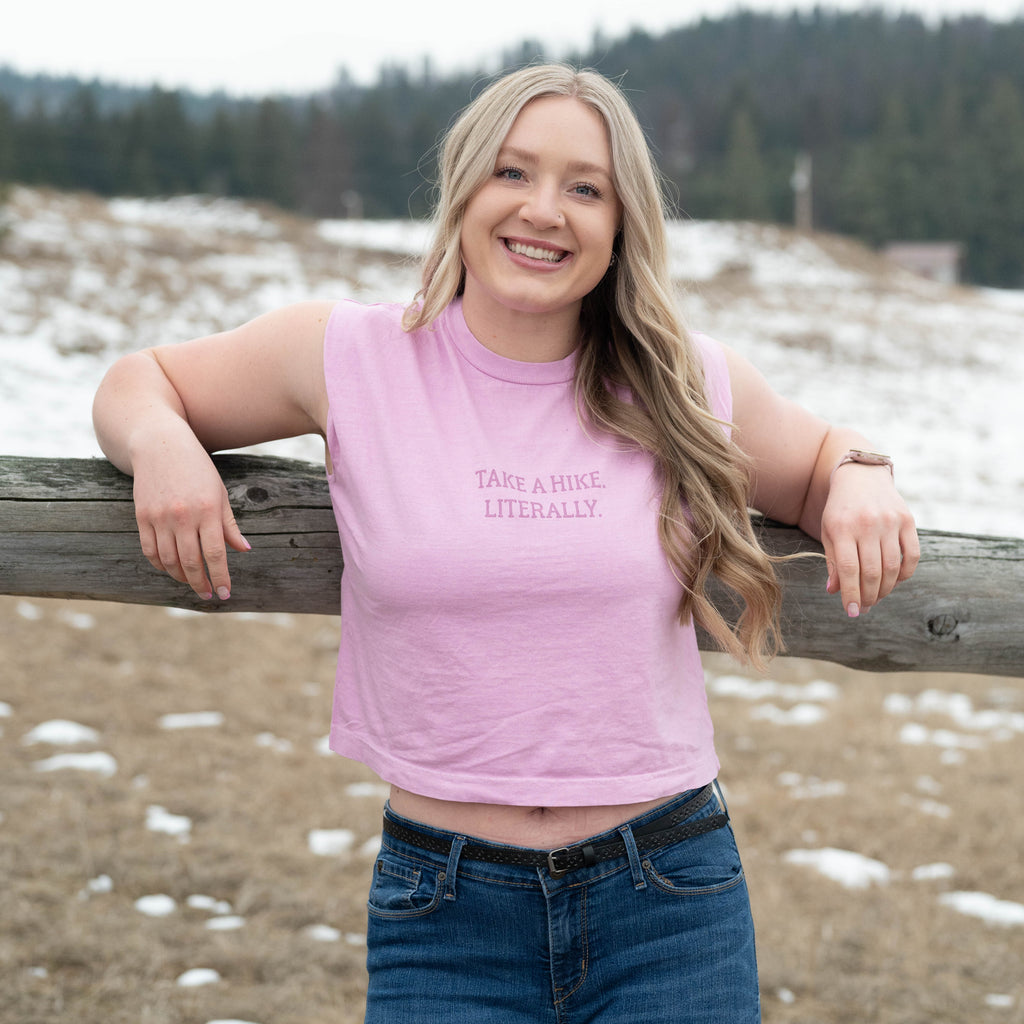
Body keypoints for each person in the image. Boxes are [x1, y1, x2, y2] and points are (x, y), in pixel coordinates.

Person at [92, 63, 919, 1023]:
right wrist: (163, 448)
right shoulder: (348, 355)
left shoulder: (684, 382)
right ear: (464, 188)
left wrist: (862, 472)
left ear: (619, 228)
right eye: (512, 173)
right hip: (445, 913)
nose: (544, 211)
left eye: (585, 188)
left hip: (669, 901)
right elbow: (137, 381)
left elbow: (822, 459)